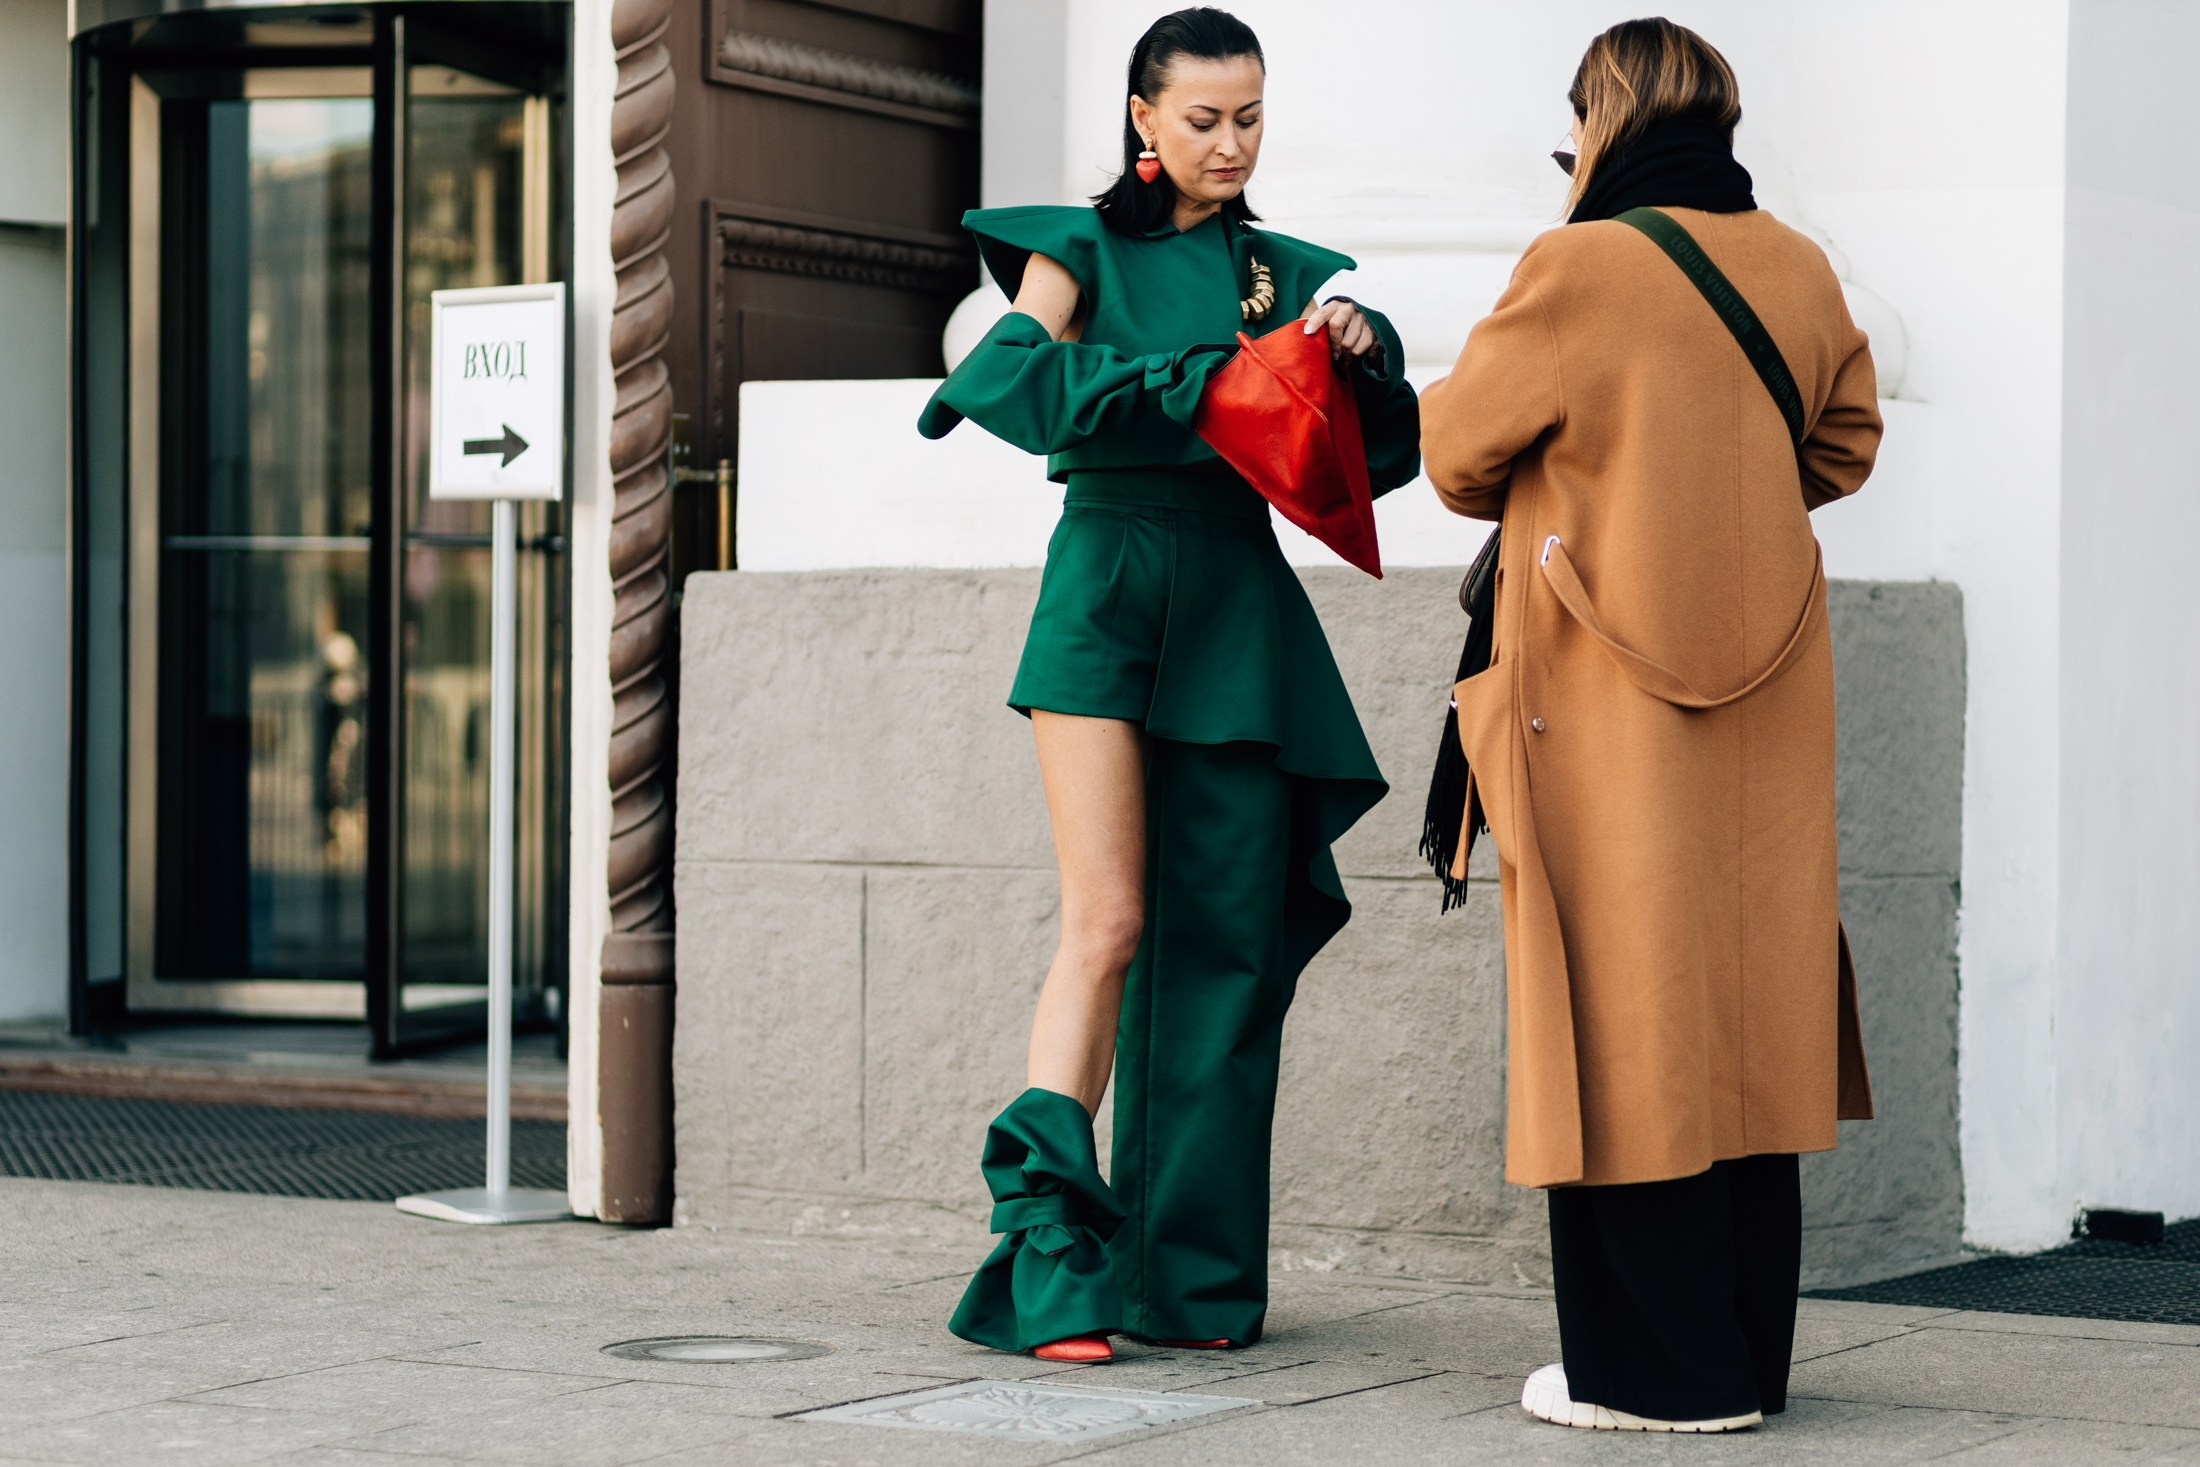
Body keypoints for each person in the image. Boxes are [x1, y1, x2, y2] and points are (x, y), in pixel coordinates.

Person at [916, 7, 1420, 1363]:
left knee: (1232, 951)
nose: (1230, 143)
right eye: (1202, 118)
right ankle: (1052, 1263)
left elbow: (1363, 467)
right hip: (1106, 591)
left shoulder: (1280, 272)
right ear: (1142, 116)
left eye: (1250, 116)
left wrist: (1361, 363)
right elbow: (1003, 379)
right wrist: (1195, 386)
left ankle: (1186, 1280)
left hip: (1237, 606)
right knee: (1113, 922)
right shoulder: (1071, 250)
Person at [1418, 17, 1882, 1433]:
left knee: (1615, 1009)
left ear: (1601, 121)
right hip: (1767, 688)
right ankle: (1745, 1360)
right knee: (1748, 1013)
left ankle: (1655, 1378)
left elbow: (1454, 454)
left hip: (1607, 697)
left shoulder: (1580, 265)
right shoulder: (1796, 264)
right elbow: (1846, 442)